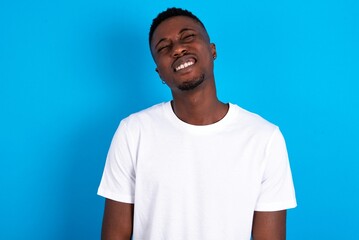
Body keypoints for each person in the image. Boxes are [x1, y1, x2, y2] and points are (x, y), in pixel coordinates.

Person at [98, 7, 297, 240]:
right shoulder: (133, 132)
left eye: (188, 37)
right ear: (159, 73)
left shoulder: (264, 138)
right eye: (164, 47)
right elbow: (115, 234)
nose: (178, 49)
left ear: (212, 50)